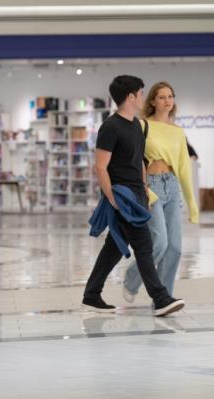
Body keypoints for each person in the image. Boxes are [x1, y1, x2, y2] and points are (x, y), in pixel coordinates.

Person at [82, 75, 184, 317]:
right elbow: (100, 166)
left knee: (114, 247)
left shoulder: (136, 125)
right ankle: (160, 298)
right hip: (121, 197)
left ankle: (91, 295)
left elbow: (138, 160)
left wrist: (144, 186)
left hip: (138, 195)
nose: (142, 97)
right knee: (144, 244)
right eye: (140, 93)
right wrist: (112, 198)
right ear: (130, 96)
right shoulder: (110, 127)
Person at [122, 82, 199, 302]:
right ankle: (131, 279)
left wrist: (192, 203)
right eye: (162, 97)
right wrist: (143, 188)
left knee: (175, 247)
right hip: (151, 186)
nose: (167, 101)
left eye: (170, 96)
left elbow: (184, 167)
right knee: (159, 242)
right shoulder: (142, 125)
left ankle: (163, 298)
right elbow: (134, 160)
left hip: (172, 186)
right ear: (153, 101)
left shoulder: (178, 132)